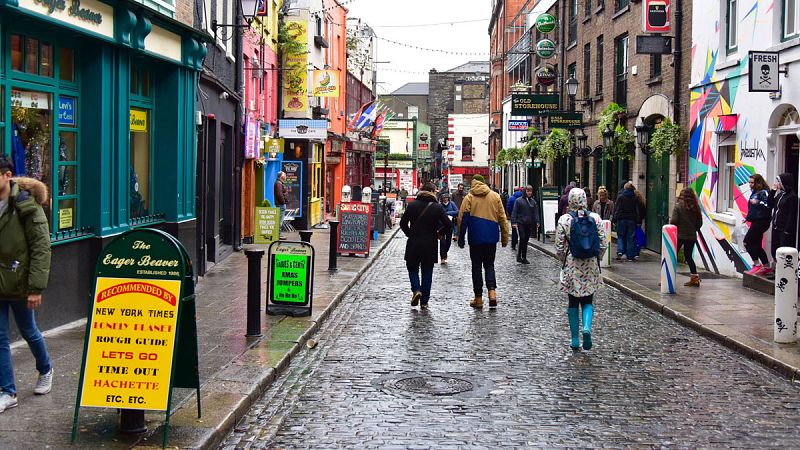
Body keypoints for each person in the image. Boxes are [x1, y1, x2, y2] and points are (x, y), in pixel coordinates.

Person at [0, 156, 53, 413]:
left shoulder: (26, 204)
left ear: (7, 175)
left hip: (19, 281)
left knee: (28, 331)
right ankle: (7, 392)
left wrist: (35, 288)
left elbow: (41, 248)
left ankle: (46, 369)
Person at [555, 188, 606, 351]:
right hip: (590, 265)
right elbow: (603, 243)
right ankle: (587, 328)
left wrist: (564, 260)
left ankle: (575, 339)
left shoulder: (565, 219)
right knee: (588, 300)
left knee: (572, 302)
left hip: (572, 265)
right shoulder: (596, 218)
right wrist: (598, 258)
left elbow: (559, 246)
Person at [458, 175, 510, 309]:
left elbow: (462, 220)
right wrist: (505, 238)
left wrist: (460, 238)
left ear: (473, 183)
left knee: (476, 267)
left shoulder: (469, 197)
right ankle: (492, 293)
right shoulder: (495, 196)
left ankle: (478, 298)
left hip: (475, 238)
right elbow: (503, 218)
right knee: (489, 265)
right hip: (491, 238)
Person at [400, 183, 450, 309]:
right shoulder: (437, 207)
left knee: (412, 268)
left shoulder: (412, 205)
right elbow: (448, 225)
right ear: (432, 191)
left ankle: (416, 290)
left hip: (414, 242)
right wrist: (440, 233)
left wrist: (409, 233)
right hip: (430, 243)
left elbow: (403, 223)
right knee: (427, 271)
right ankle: (424, 301)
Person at [671, 188, 704, 287]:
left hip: (679, 235)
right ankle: (694, 279)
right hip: (691, 236)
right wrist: (693, 228)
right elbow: (699, 223)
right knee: (689, 257)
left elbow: (674, 221)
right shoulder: (696, 208)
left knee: (672, 256)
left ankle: (668, 278)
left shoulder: (678, 207)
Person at [768, 173, 798, 275]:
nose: (777, 183)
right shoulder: (780, 195)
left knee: (783, 251)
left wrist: (787, 229)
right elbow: (770, 204)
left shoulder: (792, 197)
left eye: (779, 182)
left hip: (783, 229)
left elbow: (791, 214)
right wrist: (772, 191)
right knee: (774, 250)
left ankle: (782, 274)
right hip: (776, 227)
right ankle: (776, 272)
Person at [743, 174, 772, 275]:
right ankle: (767, 266)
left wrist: (758, 202)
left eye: (752, 182)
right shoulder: (755, 192)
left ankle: (757, 264)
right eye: (749, 182)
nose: (750, 185)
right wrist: (747, 218)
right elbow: (752, 209)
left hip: (762, 221)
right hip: (755, 220)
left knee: (747, 242)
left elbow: (769, 205)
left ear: (758, 182)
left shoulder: (764, 192)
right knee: (757, 245)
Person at [511, 185, 540, 264]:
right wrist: (513, 222)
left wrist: (537, 221)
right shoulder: (518, 201)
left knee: (525, 240)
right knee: (522, 238)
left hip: (529, 223)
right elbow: (514, 212)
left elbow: (535, 212)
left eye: (530, 191)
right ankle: (520, 256)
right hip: (521, 222)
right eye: (528, 191)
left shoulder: (533, 202)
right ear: (525, 191)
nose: (529, 193)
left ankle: (523, 257)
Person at [613, 182, 640, 261]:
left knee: (620, 236)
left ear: (624, 188)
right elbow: (637, 210)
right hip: (632, 220)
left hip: (621, 219)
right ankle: (630, 256)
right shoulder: (635, 198)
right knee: (630, 238)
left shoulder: (620, 197)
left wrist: (614, 219)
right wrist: (638, 220)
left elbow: (617, 209)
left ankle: (620, 251)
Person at [439, 193, 459, 264]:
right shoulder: (440, 205)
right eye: (444, 198)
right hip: (441, 226)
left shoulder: (452, 204)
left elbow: (457, 211)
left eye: (446, 198)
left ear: (448, 198)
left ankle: (445, 252)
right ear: (442, 199)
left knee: (448, 242)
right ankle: (442, 257)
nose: (445, 199)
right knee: (442, 242)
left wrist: (447, 213)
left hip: (450, 225)